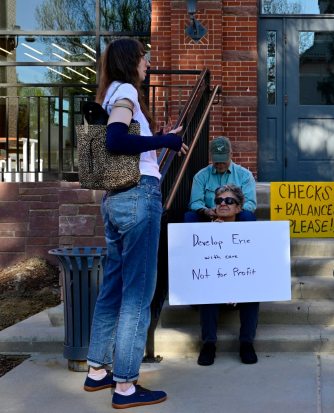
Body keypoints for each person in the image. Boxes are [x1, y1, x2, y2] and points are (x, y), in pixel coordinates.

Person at [82, 38, 188, 409]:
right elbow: (115, 141)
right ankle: (125, 385)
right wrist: (165, 141)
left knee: (113, 287)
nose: (148, 64)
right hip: (139, 198)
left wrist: (159, 140)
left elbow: (120, 142)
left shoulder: (110, 92)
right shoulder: (126, 89)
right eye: (145, 58)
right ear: (132, 61)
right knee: (138, 294)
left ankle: (98, 370)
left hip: (115, 200)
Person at [196, 184, 260, 366]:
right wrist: (213, 232)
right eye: (219, 201)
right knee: (206, 294)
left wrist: (236, 289)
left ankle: (246, 343)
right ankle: (209, 344)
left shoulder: (251, 235)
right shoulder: (201, 235)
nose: (223, 204)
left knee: (254, 293)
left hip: (240, 290)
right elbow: (201, 270)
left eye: (229, 201)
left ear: (239, 208)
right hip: (213, 290)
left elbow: (253, 268)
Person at [186, 136, 257, 222]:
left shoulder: (245, 175)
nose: (220, 164)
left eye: (223, 160)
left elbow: (250, 204)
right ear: (211, 156)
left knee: (247, 216)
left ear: (231, 155)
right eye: (217, 161)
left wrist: (231, 212)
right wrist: (206, 211)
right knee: (190, 216)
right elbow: (195, 203)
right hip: (210, 216)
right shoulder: (201, 176)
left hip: (235, 215)